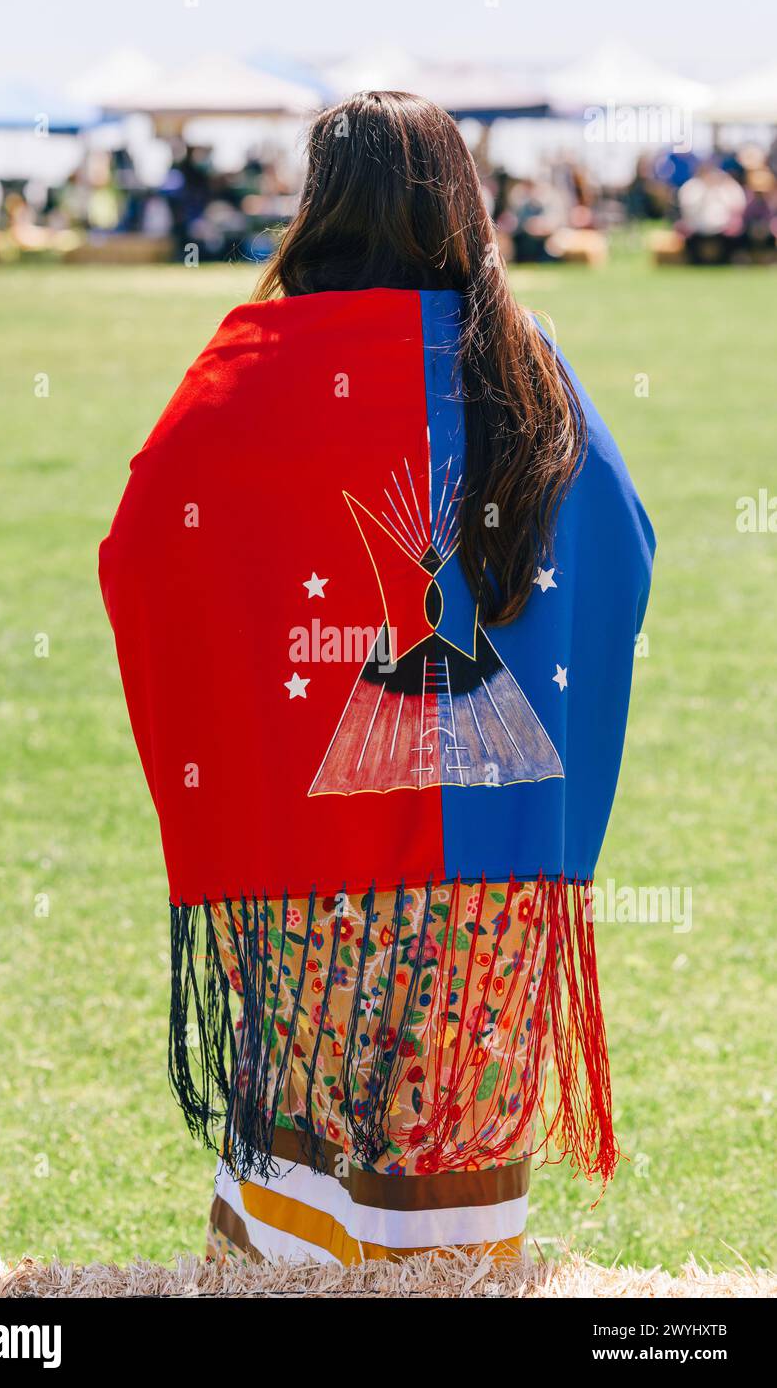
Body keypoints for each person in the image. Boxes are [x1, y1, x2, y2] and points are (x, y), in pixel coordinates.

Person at [99, 92, 655, 1268]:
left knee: (309, 1093)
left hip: (303, 855)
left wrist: (251, 693)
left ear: (317, 206)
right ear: (458, 201)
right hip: (494, 858)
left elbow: (146, 544)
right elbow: (627, 540)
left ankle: (296, 1276)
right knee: (457, 1115)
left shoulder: (247, 371)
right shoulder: (524, 359)